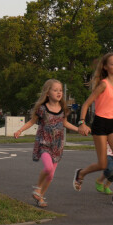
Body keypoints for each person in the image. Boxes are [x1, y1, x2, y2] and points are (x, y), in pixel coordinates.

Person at [14, 79, 80, 208]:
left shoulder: (63, 109)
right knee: (48, 168)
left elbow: (65, 123)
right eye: (55, 90)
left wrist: (78, 129)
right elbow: (32, 122)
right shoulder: (42, 109)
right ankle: (38, 188)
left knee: (50, 176)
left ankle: (40, 197)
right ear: (48, 93)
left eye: (60, 90)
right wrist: (20, 130)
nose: (59, 92)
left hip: (57, 144)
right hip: (44, 142)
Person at [74, 52, 113, 206]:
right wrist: (82, 123)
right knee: (103, 164)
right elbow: (85, 104)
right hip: (100, 124)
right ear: (105, 67)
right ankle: (81, 173)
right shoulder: (103, 84)